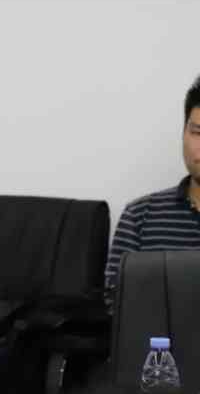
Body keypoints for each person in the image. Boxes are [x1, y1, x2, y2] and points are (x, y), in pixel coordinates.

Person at [105, 74, 200, 307]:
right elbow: (115, 305)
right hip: (159, 330)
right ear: (183, 133)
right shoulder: (140, 216)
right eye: (198, 132)